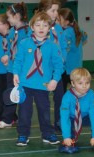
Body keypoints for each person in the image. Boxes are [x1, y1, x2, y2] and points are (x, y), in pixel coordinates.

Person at [13, 12, 63, 146]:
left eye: (45, 25)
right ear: (32, 27)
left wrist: (55, 80)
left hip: (43, 85)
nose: (41, 28)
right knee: (24, 111)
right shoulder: (24, 43)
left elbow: (59, 66)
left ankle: (47, 133)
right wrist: (15, 73)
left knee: (44, 110)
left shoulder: (52, 46)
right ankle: (23, 134)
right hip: (25, 84)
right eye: (38, 25)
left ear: (49, 27)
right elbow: (18, 60)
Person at [0, 2, 29, 128]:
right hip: (11, 68)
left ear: (17, 16)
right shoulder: (11, 32)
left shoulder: (27, 32)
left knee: (24, 95)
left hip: (23, 69)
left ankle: (24, 119)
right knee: (10, 93)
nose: (7, 19)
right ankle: (8, 119)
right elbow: (10, 49)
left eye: (9, 17)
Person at [37, 0, 67, 134]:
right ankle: (46, 127)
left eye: (57, 10)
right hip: (43, 72)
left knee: (60, 98)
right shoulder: (39, 28)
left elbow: (64, 47)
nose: (56, 14)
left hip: (58, 71)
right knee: (43, 102)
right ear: (44, 11)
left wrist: (62, 61)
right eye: (53, 10)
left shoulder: (59, 28)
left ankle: (59, 123)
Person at [60, 68, 94, 151]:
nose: (84, 86)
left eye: (87, 83)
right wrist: (66, 136)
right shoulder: (67, 97)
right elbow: (65, 116)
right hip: (72, 118)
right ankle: (70, 138)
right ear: (73, 83)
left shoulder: (91, 95)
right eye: (80, 83)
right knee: (61, 120)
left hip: (85, 118)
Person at [58, 8, 88, 92]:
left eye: (59, 19)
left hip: (67, 68)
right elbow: (85, 37)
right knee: (78, 92)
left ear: (66, 21)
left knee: (62, 94)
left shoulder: (65, 33)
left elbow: (64, 50)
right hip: (77, 67)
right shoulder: (78, 30)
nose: (58, 21)